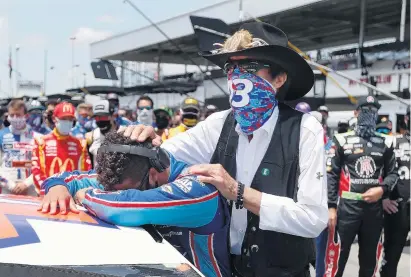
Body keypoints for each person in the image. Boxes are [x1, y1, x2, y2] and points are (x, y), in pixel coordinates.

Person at [119, 22, 327, 277]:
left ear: (279, 78)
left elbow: (313, 219)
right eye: (232, 68)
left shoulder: (305, 130)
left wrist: (239, 192)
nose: (238, 77)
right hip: (225, 268)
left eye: (249, 68)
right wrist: (147, 141)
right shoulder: (219, 124)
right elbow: (161, 159)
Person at [39, 131, 231, 277]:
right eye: (111, 190)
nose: (115, 194)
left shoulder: (200, 188)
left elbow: (123, 205)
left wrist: (85, 195)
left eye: (122, 191)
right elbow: (65, 178)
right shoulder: (132, 175)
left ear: (154, 175)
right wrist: (57, 187)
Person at [327, 96, 398, 277]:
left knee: (369, 263)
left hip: (373, 211)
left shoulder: (386, 142)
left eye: (373, 112)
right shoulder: (341, 139)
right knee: (336, 262)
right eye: (365, 111)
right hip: (347, 210)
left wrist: (382, 190)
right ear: (356, 113)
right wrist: (331, 207)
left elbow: (393, 174)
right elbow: (331, 174)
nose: (369, 115)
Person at [32, 102, 91, 194]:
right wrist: (49, 190)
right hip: (47, 195)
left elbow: (85, 173)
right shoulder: (41, 142)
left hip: (72, 196)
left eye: (70, 119)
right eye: (64, 119)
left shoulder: (80, 144)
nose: (67, 122)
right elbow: (36, 172)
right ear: (54, 119)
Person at [380, 107, 410, 277]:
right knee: (390, 260)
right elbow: (379, 173)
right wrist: (383, 198)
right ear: (406, 119)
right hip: (397, 207)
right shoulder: (393, 142)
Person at [0, 99, 38, 196]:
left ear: (26, 116)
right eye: (12, 115)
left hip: (30, 187)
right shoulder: (1, 135)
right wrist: (10, 185)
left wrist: (26, 183)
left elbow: (42, 166)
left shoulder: (37, 137)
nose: (15, 118)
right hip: (7, 187)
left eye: (18, 115)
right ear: (7, 116)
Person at [85, 100, 116, 168]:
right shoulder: (90, 137)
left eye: (103, 117)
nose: (100, 120)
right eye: (97, 117)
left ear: (113, 116)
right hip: (97, 176)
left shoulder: (123, 133)